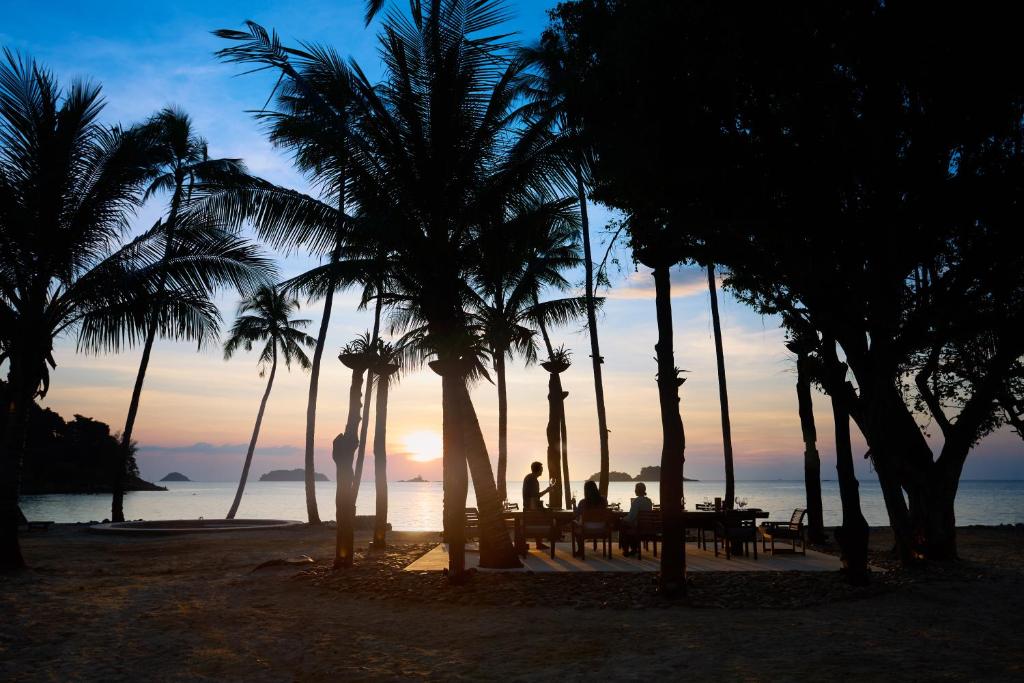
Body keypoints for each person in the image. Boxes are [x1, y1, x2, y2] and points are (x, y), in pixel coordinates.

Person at [572, 480, 607, 556]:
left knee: (575, 526)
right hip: (602, 527)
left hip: (587, 528)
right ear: (596, 489)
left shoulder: (583, 502)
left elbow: (576, 514)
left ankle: (580, 550)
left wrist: (574, 505)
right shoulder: (603, 501)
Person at [522, 462, 553, 549]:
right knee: (547, 516)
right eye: (541, 469)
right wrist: (547, 490)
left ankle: (539, 544)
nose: (542, 471)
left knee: (540, 516)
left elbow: (533, 496)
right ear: (538, 470)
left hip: (528, 507)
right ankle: (540, 542)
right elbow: (535, 496)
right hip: (531, 508)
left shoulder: (529, 477)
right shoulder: (533, 480)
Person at [620, 482, 653, 557]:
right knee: (628, 524)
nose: (635, 490)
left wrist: (622, 519)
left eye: (635, 489)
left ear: (637, 490)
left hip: (638, 526)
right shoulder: (649, 501)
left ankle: (626, 549)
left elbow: (631, 517)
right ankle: (634, 548)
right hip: (647, 525)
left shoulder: (636, 501)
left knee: (623, 524)